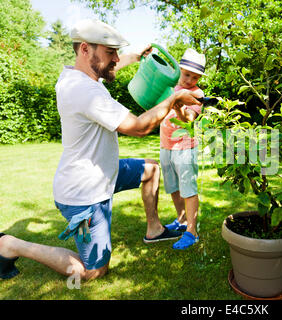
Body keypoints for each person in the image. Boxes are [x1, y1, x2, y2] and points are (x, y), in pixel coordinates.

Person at [0, 19, 201, 281]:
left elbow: (114, 63)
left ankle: (154, 229)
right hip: (84, 193)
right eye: (110, 52)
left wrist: (136, 54)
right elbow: (139, 127)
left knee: (150, 169)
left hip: (104, 172)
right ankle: (11, 245)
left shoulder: (82, 76)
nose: (117, 58)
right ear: (85, 49)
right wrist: (173, 98)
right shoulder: (84, 90)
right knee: (93, 270)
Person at [160, 48, 206, 250]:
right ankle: (181, 220)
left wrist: (178, 106)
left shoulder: (197, 93)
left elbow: (189, 120)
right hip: (166, 144)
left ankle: (192, 232)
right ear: (179, 69)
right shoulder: (170, 87)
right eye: (187, 74)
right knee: (173, 187)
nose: (189, 79)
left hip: (184, 146)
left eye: (195, 77)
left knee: (188, 189)